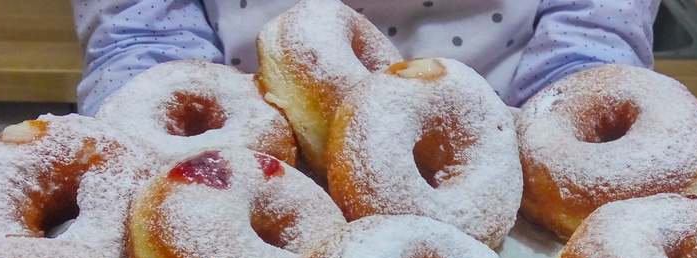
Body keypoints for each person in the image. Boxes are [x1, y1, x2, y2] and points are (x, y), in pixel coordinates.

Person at [71, 0, 660, 115]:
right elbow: (142, 43)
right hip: (234, 145)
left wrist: (579, 129)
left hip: (507, 153)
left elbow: (593, 46)